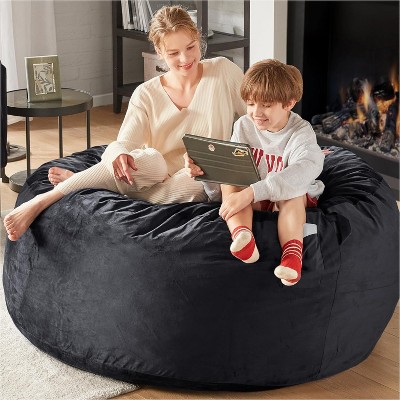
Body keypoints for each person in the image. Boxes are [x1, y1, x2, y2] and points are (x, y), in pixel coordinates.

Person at [3, 5, 246, 241]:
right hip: (151, 173)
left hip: (196, 175)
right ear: (159, 51)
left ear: (198, 38)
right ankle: (43, 200)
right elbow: (123, 143)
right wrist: (119, 154)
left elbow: (255, 116)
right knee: (152, 160)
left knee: (196, 186)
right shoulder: (146, 93)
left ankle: (84, 183)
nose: (185, 58)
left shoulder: (223, 71)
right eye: (173, 53)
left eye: (191, 47)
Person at [191, 59, 325, 286]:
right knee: (230, 176)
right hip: (255, 197)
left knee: (292, 194)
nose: (256, 113)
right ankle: (243, 237)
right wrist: (204, 171)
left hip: (288, 199)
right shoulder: (243, 125)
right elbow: (230, 176)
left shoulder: (301, 132)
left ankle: (292, 258)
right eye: (251, 104)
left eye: (266, 105)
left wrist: (251, 193)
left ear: (289, 103)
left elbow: (305, 169)